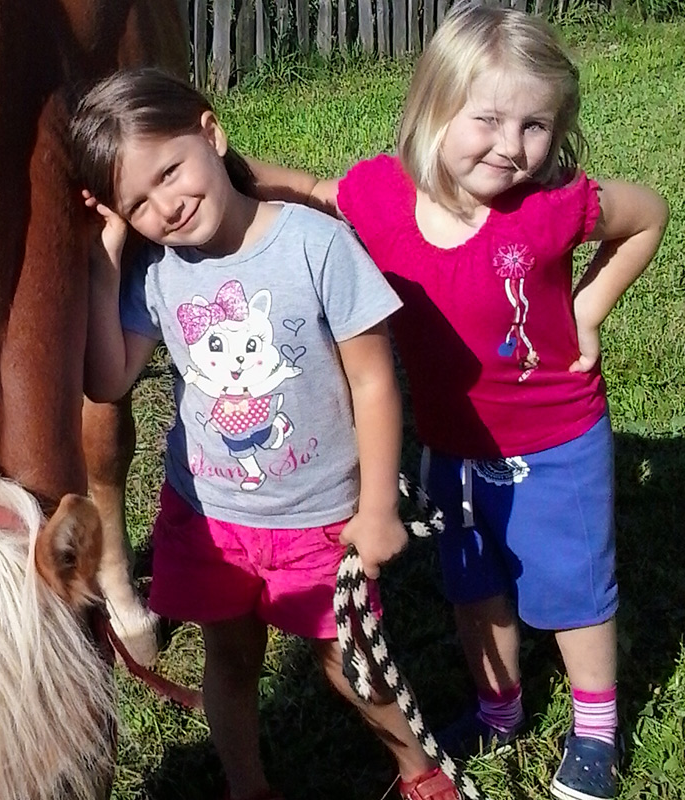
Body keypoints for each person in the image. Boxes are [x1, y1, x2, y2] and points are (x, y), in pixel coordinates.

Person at [250, 7, 669, 800]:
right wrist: (219, 167)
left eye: (536, 124)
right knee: (475, 588)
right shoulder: (380, 195)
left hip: (559, 439)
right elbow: (310, 191)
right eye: (488, 119)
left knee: (575, 591)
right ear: (432, 110)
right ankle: (499, 708)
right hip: (450, 447)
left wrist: (585, 310)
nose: (513, 146)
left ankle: (597, 732)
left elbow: (647, 216)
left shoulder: (549, 207)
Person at [70, 67, 462, 800]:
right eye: (138, 203)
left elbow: (375, 382)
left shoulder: (316, 246)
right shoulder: (154, 272)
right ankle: (248, 787)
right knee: (230, 659)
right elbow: (109, 379)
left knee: (349, 662)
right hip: (211, 518)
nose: (166, 206)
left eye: (170, 172)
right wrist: (104, 261)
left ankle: (419, 771)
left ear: (212, 134)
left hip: (320, 518)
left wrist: (376, 507)